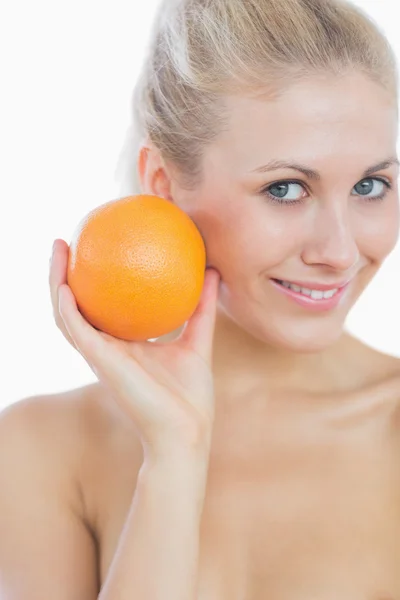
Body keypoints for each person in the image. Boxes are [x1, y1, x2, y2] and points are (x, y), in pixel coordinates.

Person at [1, 0, 400, 597]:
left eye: (371, 185)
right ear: (162, 183)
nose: (339, 251)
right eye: (286, 188)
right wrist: (172, 456)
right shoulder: (41, 449)